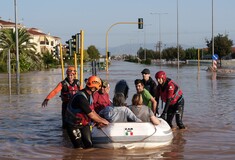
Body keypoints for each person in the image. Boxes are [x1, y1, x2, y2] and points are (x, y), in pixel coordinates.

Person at [65, 75, 109, 148]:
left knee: (89, 145)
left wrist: (102, 120)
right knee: (79, 147)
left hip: (84, 124)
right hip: (73, 125)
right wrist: (104, 122)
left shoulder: (89, 95)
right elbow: (91, 115)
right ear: (94, 88)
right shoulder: (81, 98)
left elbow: (93, 111)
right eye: (99, 87)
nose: (99, 89)